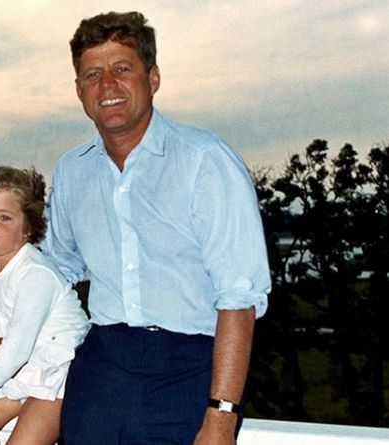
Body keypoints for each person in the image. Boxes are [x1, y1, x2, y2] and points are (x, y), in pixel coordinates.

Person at [41, 11, 271, 445]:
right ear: (79, 91)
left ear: (154, 77)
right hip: (103, 366)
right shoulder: (72, 170)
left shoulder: (206, 161)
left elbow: (239, 297)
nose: (107, 86)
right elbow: (54, 268)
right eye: (93, 74)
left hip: (190, 366)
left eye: (122, 69)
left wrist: (222, 416)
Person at [0, 166, 89, 445]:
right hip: (24, 376)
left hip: (57, 379)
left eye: (5, 217)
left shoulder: (36, 274)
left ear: (28, 227)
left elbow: (18, 347)